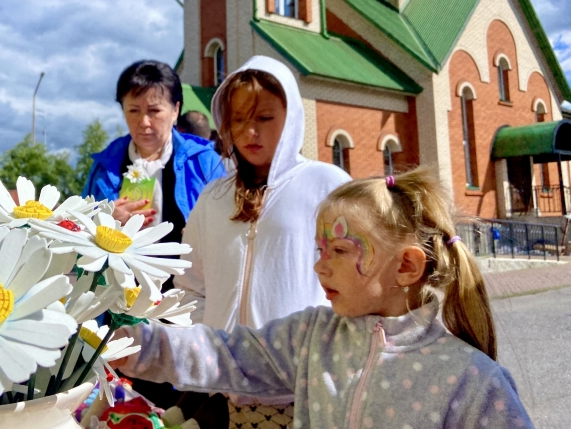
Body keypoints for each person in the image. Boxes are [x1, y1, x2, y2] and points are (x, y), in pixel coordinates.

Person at [115, 167, 534, 428]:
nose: (319, 267)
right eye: (319, 251)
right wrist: (136, 345)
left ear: (406, 267)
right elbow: (225, 355)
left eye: (338, 251)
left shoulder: (471, 381)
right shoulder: (312, 338)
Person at [175, 56, 350, 331]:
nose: (251, 132)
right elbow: (190, 288)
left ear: (291, 116)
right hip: (223, 369)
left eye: (265, 118)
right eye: (239, 119)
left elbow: (355, 280)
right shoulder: (213, 197)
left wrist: (323, 352)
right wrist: (209, 350)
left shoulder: (328, 186)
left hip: (301, 368)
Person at [83, 60, 225, 245]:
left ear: (175, 110)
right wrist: (102, 221)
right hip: (122, 273)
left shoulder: (205, 163)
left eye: (154, 110)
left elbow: (230, 223)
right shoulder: (104, 167)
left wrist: (203, 231)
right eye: (133, 110)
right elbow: (79, 226)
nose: (144, 122)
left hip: (184, 272)